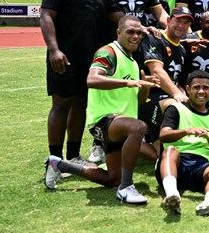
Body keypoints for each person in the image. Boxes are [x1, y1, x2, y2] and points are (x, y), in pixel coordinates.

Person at [43, 15, 160, 205]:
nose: (136, 36)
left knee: (112, 179)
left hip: (121, 125)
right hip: (104, 120)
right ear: (119, 32)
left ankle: (59, 164)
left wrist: (144, 87)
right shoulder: (108, 52)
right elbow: (92, 80)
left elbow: (137, 101)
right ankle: (127, 187)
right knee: (138, 127)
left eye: (139, 33)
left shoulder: (132, 61)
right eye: (131, 32)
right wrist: (129, 82)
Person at [40, 0, 123, 165]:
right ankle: (55, 159)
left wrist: (145, 29)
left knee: (80, 105)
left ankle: (73, 156)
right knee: (60, 105)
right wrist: (54, 50)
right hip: (64, 59)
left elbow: (121, 20)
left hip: (92, 62)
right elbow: (46, 16)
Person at [157, 70, 209, 215]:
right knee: (170, 151)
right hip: (176, 162)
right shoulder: (176, 109)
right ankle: (172, 194)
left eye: (206, 88)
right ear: (187, 89)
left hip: (201, 165)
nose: (201, 91)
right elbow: (163, 135)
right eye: (196, 87)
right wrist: (187, 131)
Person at [128, 6, 193, 164]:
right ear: (169, 21)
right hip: (145, 97)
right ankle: (120, 141)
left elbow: (177, 80)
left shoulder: (182, 50)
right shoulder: (154, 38)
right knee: (175, 105)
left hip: (163, 98)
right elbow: (157, 71)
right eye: (178, 21)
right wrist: (177, 94)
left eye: (185, 23)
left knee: (162, 156)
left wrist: (184, 94)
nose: (181, 25)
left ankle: (147, 142)